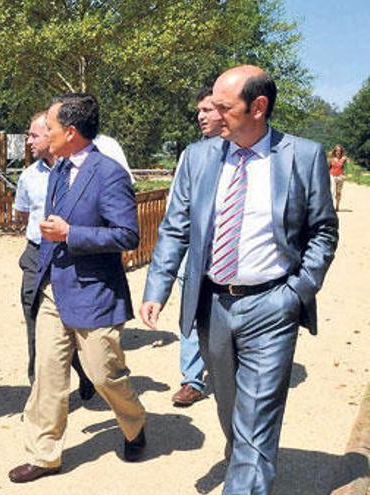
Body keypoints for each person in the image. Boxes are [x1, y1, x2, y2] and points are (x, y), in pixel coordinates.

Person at [141, 65, 338, 494]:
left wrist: (298, 291)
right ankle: (245, 459)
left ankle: (246, 477)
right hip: (212, 305)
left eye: (224, 106)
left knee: (258, 418)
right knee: (231, 411)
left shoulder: (302, 156)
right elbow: (176, 226)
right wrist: (157, 286)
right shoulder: (198, 156)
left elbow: (323, 230)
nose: (212, 112)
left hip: (273, 305)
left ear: (258, 107)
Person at [9, 93, 147, 484]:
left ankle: (135, 424)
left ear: (70, 132)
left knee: (103, 375)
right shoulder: (55, 170)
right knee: (48, 375)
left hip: (94, 292)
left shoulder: (110, 174)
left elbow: (127, 235)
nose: (44, 134)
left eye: (49, 128)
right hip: (54, 287)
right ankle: (43, 454)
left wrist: (73, 234)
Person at [14, 111, 95, 400]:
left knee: (71, 324)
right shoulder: (27, 176)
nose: (29, 141)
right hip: (36, 256)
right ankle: (38, 393)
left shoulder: (80, 171)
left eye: (35, 135)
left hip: (71, 254)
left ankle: (87, 373)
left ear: (53, 135)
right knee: (36, 323)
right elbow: (23, 214)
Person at [170, 87, 224, 408]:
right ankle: (192, 379)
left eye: (208, 110)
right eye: (199, 111)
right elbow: (177, 208)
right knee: (190, 314)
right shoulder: (192, 154)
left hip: (230, 253)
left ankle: (228, 372)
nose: (200, 116)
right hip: (194, 251)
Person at [329, 144, 347, 211]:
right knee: (332, 190)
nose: (338, 152)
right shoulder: (331, 159)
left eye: (339, 150)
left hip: (340, 176)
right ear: (335, 151)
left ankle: (337, 206)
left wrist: (345, 174)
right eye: (336, 150)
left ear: (341, 151)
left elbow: (346, 168)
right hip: (332, 175)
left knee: (338, 192)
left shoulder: (344, 159)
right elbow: (329, 167)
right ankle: (330, 207)